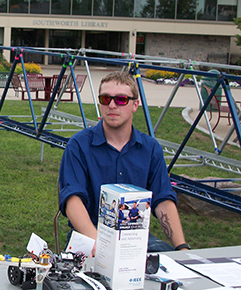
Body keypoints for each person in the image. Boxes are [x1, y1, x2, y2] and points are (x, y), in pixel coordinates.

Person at [58, 71, 190, 256]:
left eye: (121, 100)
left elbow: (163, 199)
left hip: (136, 240)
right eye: (105, 99)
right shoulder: (78, 145)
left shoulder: (150, 149)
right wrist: (100, 246)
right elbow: (72, 198)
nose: (112, 105)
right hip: (89, 236)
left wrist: (181, 248)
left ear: (135, 104)